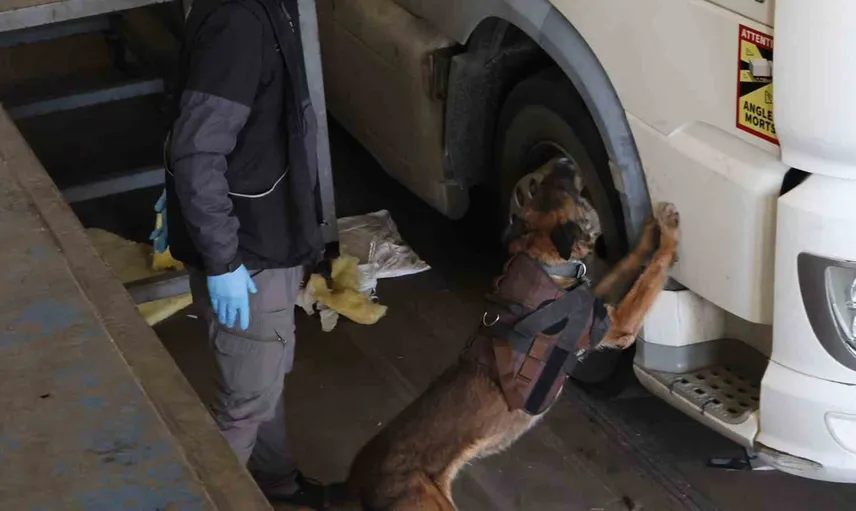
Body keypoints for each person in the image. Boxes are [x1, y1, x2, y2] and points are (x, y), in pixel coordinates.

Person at [157, 0, 332, 506]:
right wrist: (224, 260)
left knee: (265, 374)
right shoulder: (239, 23)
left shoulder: (268, 8)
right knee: (246, 404)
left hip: (267, 237)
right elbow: (196, 152)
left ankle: (276, 483)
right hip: (246, 252)